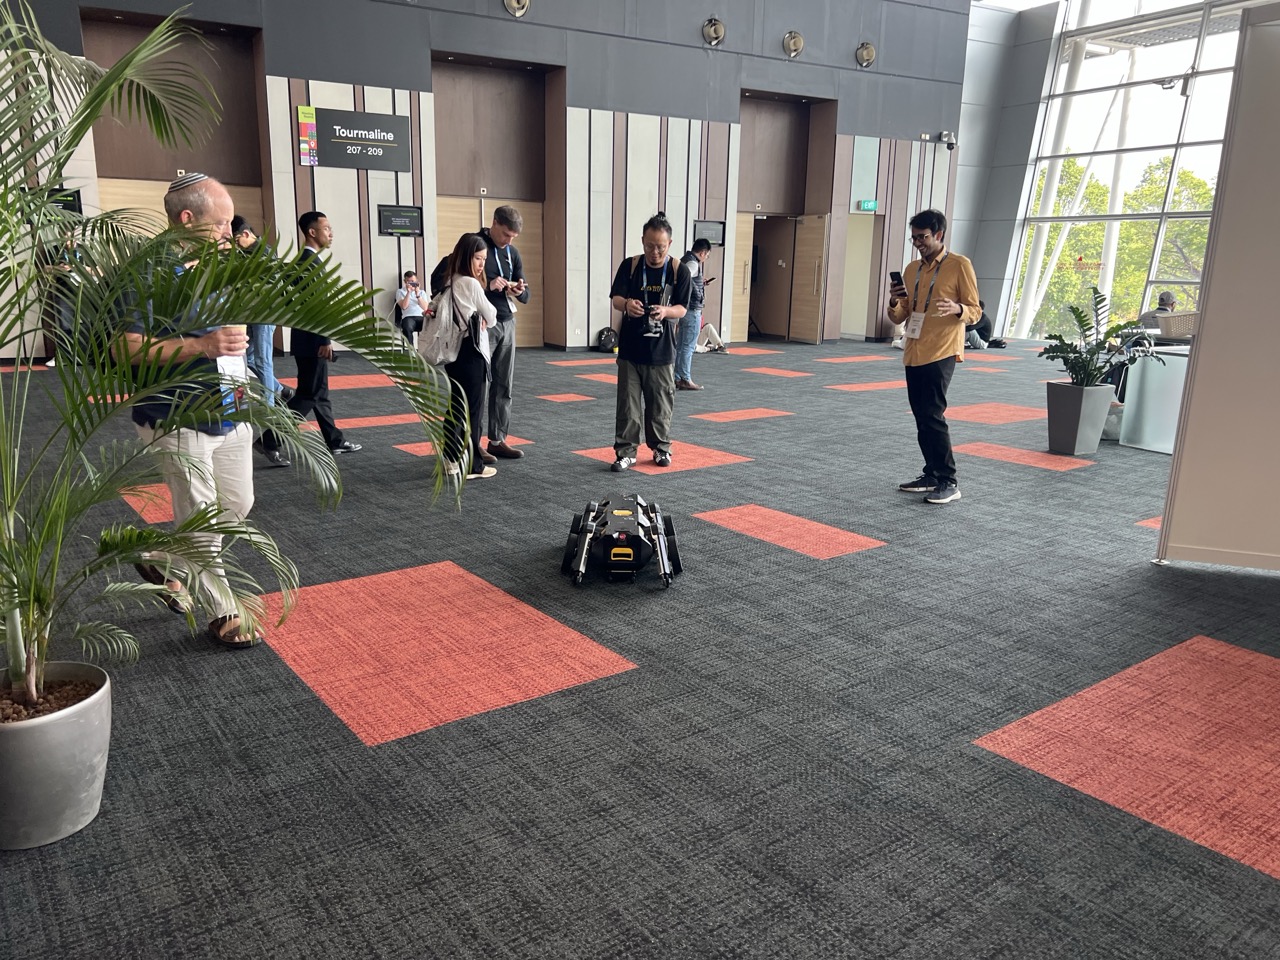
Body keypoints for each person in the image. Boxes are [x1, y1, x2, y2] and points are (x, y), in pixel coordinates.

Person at [118, 172, 260, 648]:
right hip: (176, 415)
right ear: (186, 219)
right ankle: (224, 612)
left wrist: (244, 401)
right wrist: (198, 345)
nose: (229, 231)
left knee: (237, 506)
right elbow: (129, 349)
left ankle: (160, 558)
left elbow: (235, 341)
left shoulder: (220, 265)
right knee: (201, 517)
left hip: (230, 408)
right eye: (221, 223)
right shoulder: (147, 273)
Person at [887, 208, 981, 505]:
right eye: (914, 238)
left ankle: (948, 480)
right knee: (922, 416)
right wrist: (894, 300)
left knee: (933, 415)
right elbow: (901, 314)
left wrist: (957, 309)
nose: (918, 243)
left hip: (941, 349)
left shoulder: (959, 265)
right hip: (913, 348)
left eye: (923, 237)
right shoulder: (912, 269)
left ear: (939, 234)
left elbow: (976, 310)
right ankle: (931, 473)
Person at [259, 211, 362, 462]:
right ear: (312, 232)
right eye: (326, 228)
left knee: (319, 392)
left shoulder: (305, 261)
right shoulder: (309, 263)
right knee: (308, 395)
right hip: (313, 341)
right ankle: (269, 440)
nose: (331, 233)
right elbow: (314, 308)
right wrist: (324, 341)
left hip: (306, 339)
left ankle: (334, 440)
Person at [607, 211, 693, 471]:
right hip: (631, 350)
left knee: (660, 403)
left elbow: (683, 309)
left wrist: (666, 312)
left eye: (660, 247)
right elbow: (616, 298)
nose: (654, 252)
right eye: (649, 245)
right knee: (628, 404)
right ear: (642, 241)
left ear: (670, 244)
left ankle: (660, 448)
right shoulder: (631, 265)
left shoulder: (679, 270)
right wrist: (627, 305)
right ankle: (626, 451)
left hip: (662, 351)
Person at [231, 216, 294, 467]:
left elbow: (266, 287)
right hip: (250, 315)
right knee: (251, 359)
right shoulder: (246, 254)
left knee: (263, 361)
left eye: (236, 240)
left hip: (263, 314)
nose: (235, 246)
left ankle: (269, 407)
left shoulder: (264, 253)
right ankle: (279, 390)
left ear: (246, 234)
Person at [439, 234, 498, 480]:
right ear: (466, 256)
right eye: (477, 258)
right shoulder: (471, 284)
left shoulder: (451, 280)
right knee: (473, 410)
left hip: (454, 353)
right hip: (472, 352)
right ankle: (474, 465)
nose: (482, 264)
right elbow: (492, 315)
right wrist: (483, 314)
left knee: (455, 407)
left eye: (484, 259)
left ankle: (450, 458)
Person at [675, 238, 712, 389]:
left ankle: (677, 377)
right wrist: (697, 292)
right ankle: (685, 378)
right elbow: (685, 281)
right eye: (707, 255)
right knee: (688, 346)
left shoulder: (685, 259)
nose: (706, 258)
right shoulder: (693, 263)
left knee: (681, 345)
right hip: (692, 309)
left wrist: (699, 283)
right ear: (702, 253)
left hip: (684, 309)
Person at [395, 269, 429, 346]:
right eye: (409, 281)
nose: (411, 283)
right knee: (407, 327)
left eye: (413, 281)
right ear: (405, 281)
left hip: (421, 316)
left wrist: (418, 294)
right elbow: (404, 306)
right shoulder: (400, 292)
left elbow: (425, 308)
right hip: (408, 317)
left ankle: (425, 348)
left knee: (430, 326)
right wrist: (408, 292)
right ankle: (411, 349)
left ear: (416, 281)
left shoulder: (422, 292)